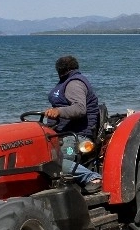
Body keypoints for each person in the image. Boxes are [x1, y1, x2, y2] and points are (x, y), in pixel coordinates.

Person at [44, 55, 103, 193]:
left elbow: (80, 109)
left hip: (75, 139)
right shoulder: (66, 82)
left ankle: (92, 177)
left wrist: (58, 111)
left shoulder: (74, 84)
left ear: (59, 70)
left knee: (56, 161)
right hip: (62, 135)